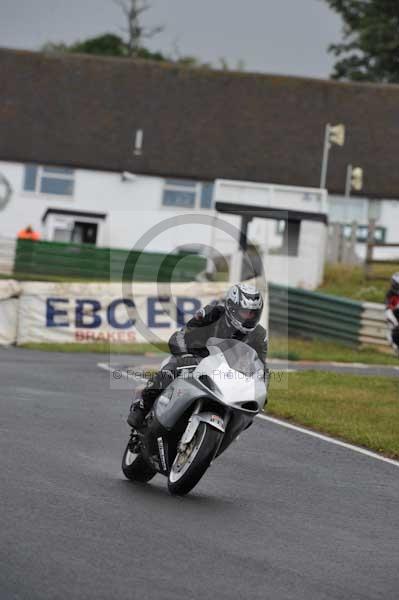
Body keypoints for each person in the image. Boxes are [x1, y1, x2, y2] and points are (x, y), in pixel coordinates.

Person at [128, 283, 268, 429]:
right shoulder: (212, 313)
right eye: (245, 312)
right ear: (232, 307)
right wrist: (184, 355)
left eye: (253, 313)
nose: (249, 317)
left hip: (227, 372)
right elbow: (180, 335)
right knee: (173, 368)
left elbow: (261, 367)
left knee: (248, 413)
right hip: (194, 358)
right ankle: (142, 406)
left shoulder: (259, 335)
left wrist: (262, 391)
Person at [385, 272, 399, 355]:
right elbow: (388, 309)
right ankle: (395, 344)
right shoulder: (390, 294)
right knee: (394, 327)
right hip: (394, 314)